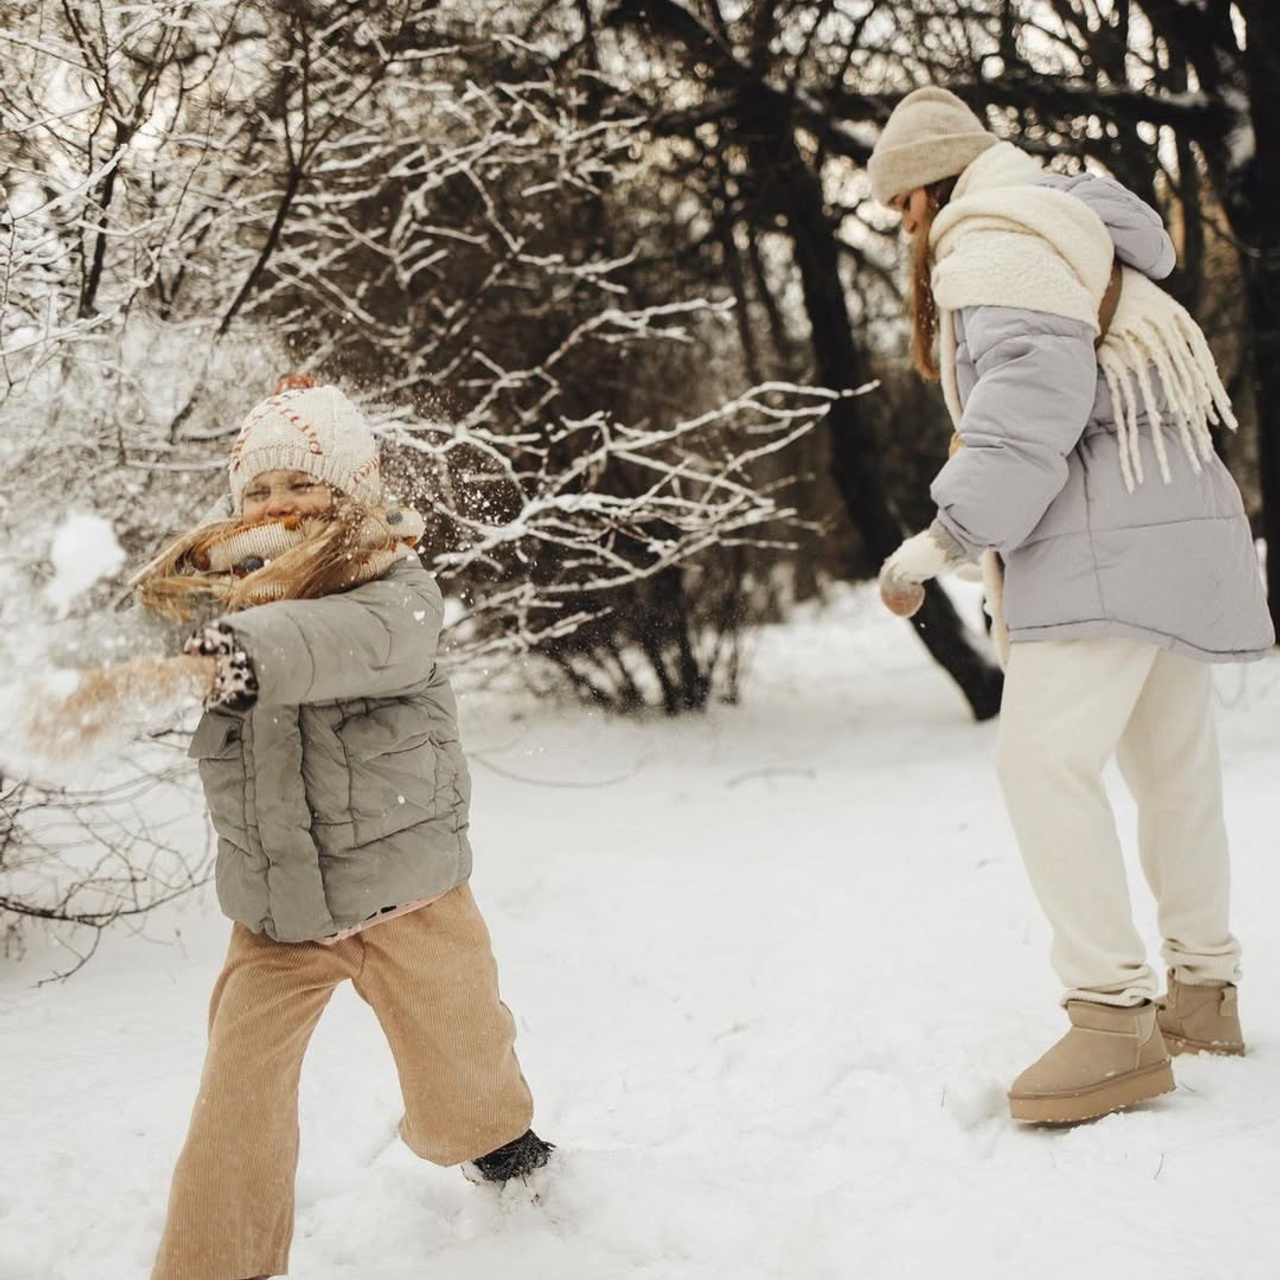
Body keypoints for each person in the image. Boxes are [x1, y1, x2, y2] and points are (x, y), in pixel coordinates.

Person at [33, 378, 551, 1279]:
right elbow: (162, 648)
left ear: (352, 489)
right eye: (260, 490)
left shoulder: (397, 590)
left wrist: (228, 659)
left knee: (464, 1067)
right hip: (276, 914)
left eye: (302, 483)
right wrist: (97, 681)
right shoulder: (219, 603)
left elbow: (331, 641)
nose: (278, 504)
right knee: (237, 1097)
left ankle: (508, 1159)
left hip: (408, 895)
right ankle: (215, 1261)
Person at [867, 88, 1273, 1124]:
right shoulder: (1075, 219)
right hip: (1176, 516)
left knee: (1040, 760)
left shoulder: (994, 240)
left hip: (1104, 536)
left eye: (902, 205)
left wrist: (943, 534)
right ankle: (1200, 989)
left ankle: (1110, 1020)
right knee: (1168, 764)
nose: (904, 229)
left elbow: (1027, 406)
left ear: (933, 186)